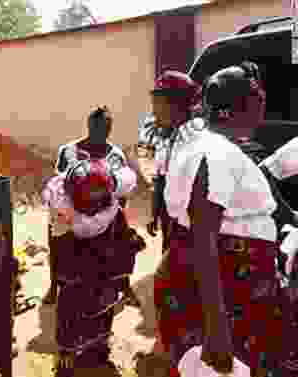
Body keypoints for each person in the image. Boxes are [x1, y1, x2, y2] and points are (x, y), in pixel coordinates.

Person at [152, 63, 285, 377]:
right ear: (234, 106)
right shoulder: (215, 154)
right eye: (257, 96)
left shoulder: (214, 147)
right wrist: (216, 332)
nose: (263, 102)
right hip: (226, 292)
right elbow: (203, 236)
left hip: (229, 285)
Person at [42, 158, 144, 376]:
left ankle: (98, 344)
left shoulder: (114, 200)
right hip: (77, 262)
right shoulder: (61, 206)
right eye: (87, 200)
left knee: (105, 302)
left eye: (96, 200)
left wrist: (127, 247)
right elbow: (59, 245)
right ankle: (68, 350)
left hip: (105, 262)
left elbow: (122, 236)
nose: (92, 205)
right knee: (71, 303)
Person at [44, 107, 138, 304]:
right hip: (71, 207)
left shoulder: (115, 155)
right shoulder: (68, 151)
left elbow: (121, 188)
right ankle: (54, 286)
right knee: (55, 234)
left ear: (110, 128)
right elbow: (59, 184)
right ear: (89, 125)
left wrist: (114, 210)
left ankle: (124, 285)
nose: (101, 131)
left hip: (104, 209)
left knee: (124, 237)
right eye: (97, 126)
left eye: (105, 127)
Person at [146, 70, 203, 256]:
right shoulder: (167, 139)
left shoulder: (200, 141)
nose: (154, 112)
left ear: (177, 105)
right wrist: (155, 212)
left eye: (158, 105)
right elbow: (160, 179)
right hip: (171, 224)